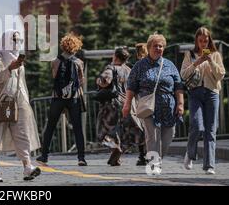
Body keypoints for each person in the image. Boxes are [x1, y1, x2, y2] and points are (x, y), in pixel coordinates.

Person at [0, 30, 41, 182]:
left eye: (19, 40)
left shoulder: (18, 59)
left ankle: (27, 167)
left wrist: (26, 101)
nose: (17, 43)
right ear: (6, 40)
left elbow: (21, 83)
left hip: (18, 102)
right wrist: (9, 69)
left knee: (22, 134)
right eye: (14, 40)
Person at [123, 34, 184, 175]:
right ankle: (153, 164)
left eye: (161, 46)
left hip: (169, 106)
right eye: (155, 46)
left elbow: (178, 86)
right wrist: (127, 104)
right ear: (149, 47)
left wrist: (180, 104)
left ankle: (157, 160)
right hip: (148, 107)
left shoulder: (169, 65)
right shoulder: (140, 66)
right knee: (152, 137)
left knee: (169, 136)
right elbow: (131, 86)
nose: (158, 48)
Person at [36, 33, 87, 167]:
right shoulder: (79, 62)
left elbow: (54, 76)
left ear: (62, 46)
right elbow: (81, 81)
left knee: (51, 126)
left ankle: (44, 155)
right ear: (76, 47)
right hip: (74, 98)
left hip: (57, 98)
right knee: (77, 128)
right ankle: (81, 157)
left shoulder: (55, 61)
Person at [181, 27, 225, 174]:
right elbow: (183, 74)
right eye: (200, 41)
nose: (203, 44)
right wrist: (197, 62)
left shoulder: (216, 55)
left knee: (210, 130)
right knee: (197, 125)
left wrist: (211, 61)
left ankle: (209, 165)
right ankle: (190, 153)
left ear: (209, 40)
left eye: (206, 41)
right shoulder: (190, 54)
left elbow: (220, 75)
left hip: (212, 93)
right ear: (196, 41)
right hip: (195, 94)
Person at [95, 48, 145, 166]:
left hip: (111, 104)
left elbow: (105, 81)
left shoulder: (110, 68)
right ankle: (121, 157)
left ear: (115, 57)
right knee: (126, 130)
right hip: (127, 104)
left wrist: (98, 81)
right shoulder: (129, 70)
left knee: (106, 129)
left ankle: (115, 148)